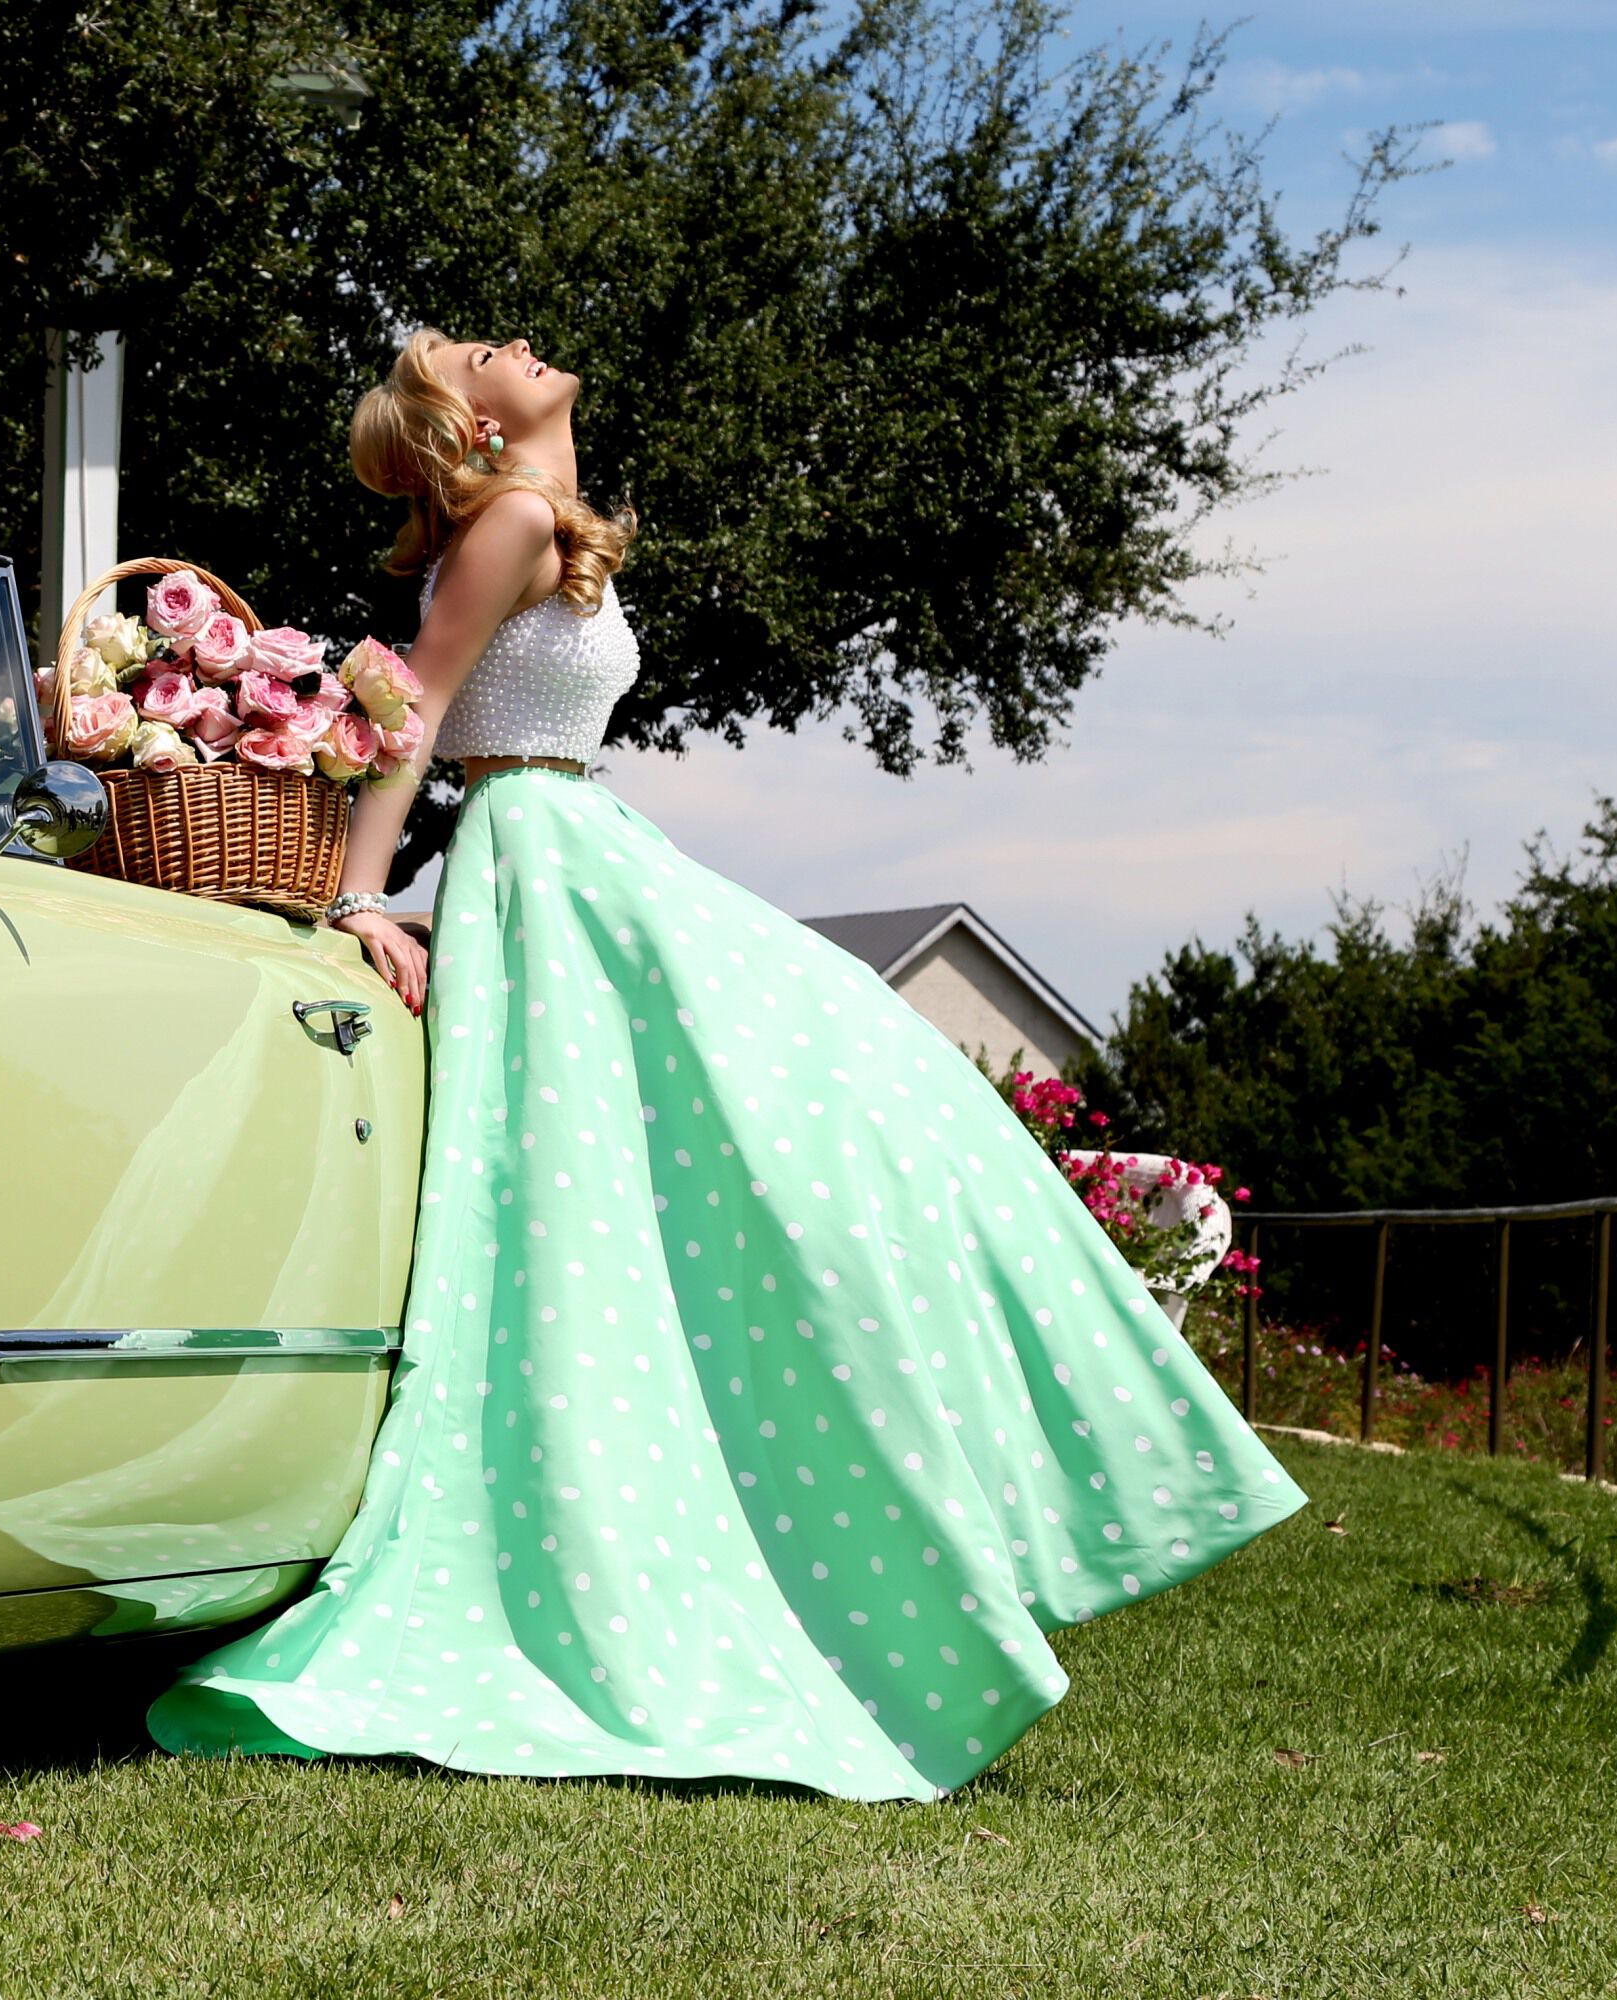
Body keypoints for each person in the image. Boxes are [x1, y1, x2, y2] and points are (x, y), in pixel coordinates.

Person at [142, 327, 1305, 1800]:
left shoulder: (548, 530)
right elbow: (414, 718)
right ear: (471, 422)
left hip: (588, 849)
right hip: (547, 867)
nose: (508, 339)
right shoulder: (500, 523)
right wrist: (364, 897)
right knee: (770, 1131)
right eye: (469, 349)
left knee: (824, 1115)